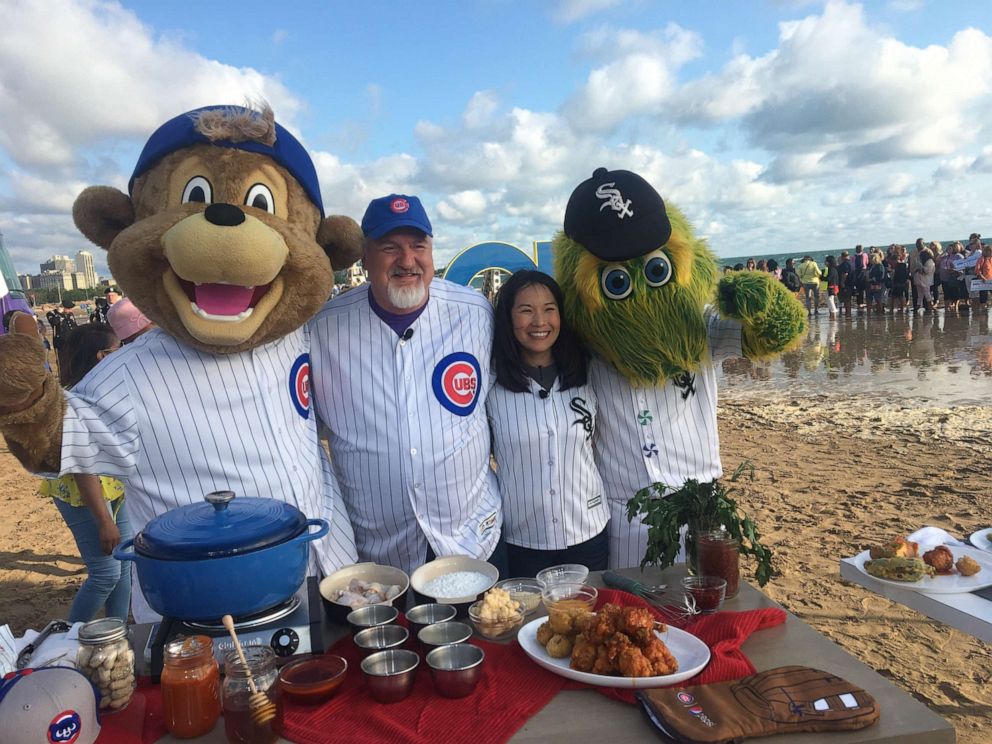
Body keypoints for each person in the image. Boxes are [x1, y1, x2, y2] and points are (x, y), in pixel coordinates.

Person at [309, 194, 507, 577]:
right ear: (365, 258)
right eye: (390, 248)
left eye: (419, 246)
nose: (407, 260)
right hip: (381, 557)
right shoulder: (322, 328)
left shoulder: (476, 313)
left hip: (473, 541)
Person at [487, 270, 608, 577]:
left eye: (549, 309)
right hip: (522, 540)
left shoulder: (589, 372)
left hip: (588, 533)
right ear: (508, 318)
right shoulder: (490, 386)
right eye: (526, 310)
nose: (539, 322)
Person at [40, 323, 132, 621]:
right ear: (101, 356)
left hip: (114, 488)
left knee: (125, 564)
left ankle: (118, 634)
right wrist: (104, 521)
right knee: (106, 573)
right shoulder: (75, 402)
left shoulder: (105, 392)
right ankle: (66, 638)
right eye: (118, 350)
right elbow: (83, 467)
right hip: (84, 495)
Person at [914, 245, 936, 314]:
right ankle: (919, 307)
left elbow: (927, 271)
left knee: (926, 294)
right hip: (921, 280)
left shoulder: (930, 262)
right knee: (921, 294)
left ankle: (929, 306)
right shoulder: (926, 261)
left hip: (925, 280)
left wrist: (921, 267)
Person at [888, 245, 910, 313]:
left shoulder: (901, 265)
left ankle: (899, 309)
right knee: (895, 296)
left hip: (899, 282)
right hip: (897, 282)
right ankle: (897, 309)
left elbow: (904, 274)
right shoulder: (902, 265)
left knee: (898, 296)